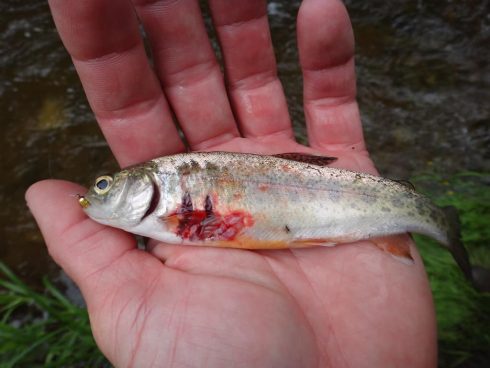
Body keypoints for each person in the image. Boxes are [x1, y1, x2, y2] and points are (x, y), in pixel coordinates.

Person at [26, 0, 437, 366]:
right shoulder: (163, 204)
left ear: (145, 184)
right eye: (101, 187)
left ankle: (431, 224)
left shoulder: (167, 194)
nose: (97, 194)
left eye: (104, 186)